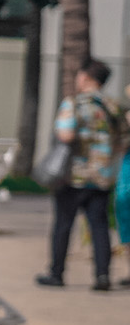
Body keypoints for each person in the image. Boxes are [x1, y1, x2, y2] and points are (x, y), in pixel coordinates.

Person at [37, 57, 122, 292]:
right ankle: (102, 275)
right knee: (99, 225)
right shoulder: (113, 107)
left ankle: (57, 273)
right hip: (102, 176)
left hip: (73, 175)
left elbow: (64, 135)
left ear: (85, 77)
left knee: (64, 223)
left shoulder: (74, 104)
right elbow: (123, 141)